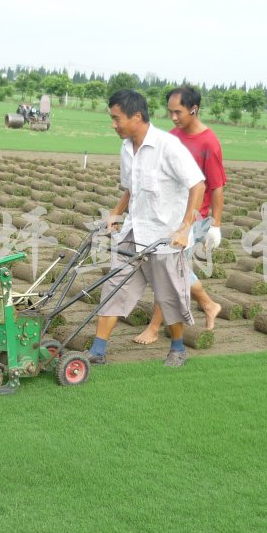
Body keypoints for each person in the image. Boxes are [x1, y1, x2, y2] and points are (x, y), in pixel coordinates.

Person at [88, 89, 206, 368]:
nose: (113, 124)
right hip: (134, 231)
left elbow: (197, 185)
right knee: (114, 286)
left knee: (169, 295)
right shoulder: (127, 148)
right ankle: (97, 350)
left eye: (117, 119)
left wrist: (185, 228)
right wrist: (115, 213)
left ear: (136, 116)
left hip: (165, 237)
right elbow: (131, 188)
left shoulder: (168, 146)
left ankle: (178, 349)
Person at [134, 86, 226, 344]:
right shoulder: (171, 138)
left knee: (169, 270)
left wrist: (215, 225)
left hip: (196, 217)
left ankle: (153, 328)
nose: (173, 118)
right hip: (171, 214)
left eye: (178, 112)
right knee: (174, 270)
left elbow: (216, 186)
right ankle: (209, 305)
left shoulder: (209, 142)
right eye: (170, 112)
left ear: (193, 110)